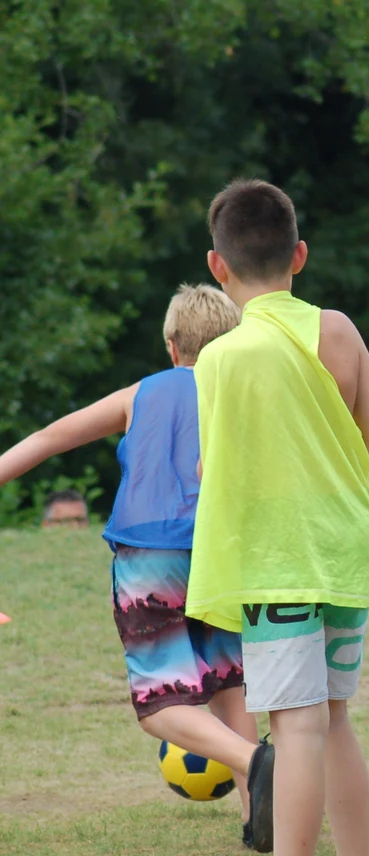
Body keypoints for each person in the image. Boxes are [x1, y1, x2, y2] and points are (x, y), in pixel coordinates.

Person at [0, 285, 266, 846]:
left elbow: (50, 438)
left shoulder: (138, 394)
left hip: (150, 554)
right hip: (223, 552)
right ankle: (258, 820)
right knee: (231, 684)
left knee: (160, 701)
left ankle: (259, 761)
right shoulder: (243, 393)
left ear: (172, 346)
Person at [186, 179, 369, 856]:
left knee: (296, 725)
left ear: (217, 266)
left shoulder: (218, 359)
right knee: (334, 718)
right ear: (299, 255)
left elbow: (214, 470)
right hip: (343, 549)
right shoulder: (337, 329)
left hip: (277, 561)